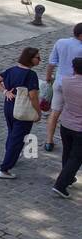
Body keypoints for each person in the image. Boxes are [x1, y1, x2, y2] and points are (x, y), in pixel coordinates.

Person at [0, 47, 42, 179]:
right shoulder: (31, 75)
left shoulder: (11, 70)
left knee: (12, 132)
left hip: (9, 106)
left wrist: (5, 92)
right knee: (18, 138)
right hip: (22, 110)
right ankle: (5, 168)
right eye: (38, 57)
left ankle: (10, 153)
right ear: (30, 59)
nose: (40, 60)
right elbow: (33, 96)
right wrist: (38, 112)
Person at [43, 23, 82, 153]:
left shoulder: (60, 42)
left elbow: (52, 62)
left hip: (60, 82)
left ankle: (49, 141)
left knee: (54, 112)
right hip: (76, 86)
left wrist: (48, 77)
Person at [52, 57, 82, 197]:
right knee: (76, 157)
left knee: (67, 153)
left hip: (66, 123)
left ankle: (68, 176)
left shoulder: (65, 81)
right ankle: (61, 184)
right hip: (79, 128)